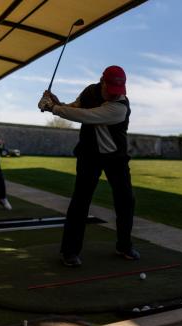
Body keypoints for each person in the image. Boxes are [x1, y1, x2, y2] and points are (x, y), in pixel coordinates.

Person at [38, 65, 138, 267]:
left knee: (126, 201)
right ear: (102, 81)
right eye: (110, 89)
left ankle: (124, 246)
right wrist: (57, 102)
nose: (113, 94)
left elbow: (87, 116)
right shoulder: (90, 91)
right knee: (80, 201)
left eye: (117, 91)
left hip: (115, 157)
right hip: (89, 154)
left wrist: (53, 109)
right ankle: (70, 252)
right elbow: (77, 108)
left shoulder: (120, 106)